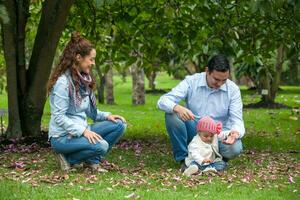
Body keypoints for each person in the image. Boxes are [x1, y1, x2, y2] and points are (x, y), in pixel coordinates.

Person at [47, 32, 126, 171]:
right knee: (102, 145)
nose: (93, 63)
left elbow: (92, 113)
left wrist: (107, 116)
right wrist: (83, 131)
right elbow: (59, 117)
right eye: (91, 59)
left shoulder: (83, 80)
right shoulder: (63, 83)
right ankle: (69, 159)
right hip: (62, 137)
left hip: (81, 128)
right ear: (78, 58)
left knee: (119, 125)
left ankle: (91, 162)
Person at [157, 54, 244, 171]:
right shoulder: (191, 81)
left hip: (218, 135)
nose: (220, 84)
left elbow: (237, 119)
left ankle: (215, 159)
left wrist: (235, 133)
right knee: (172, 114)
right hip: (196, 131)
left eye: (224, 80)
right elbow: (163, 101)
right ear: (207, 71)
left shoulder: (233, 89)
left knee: (235, 148)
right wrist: (178, 107)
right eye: (216, 79)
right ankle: (184, 160)